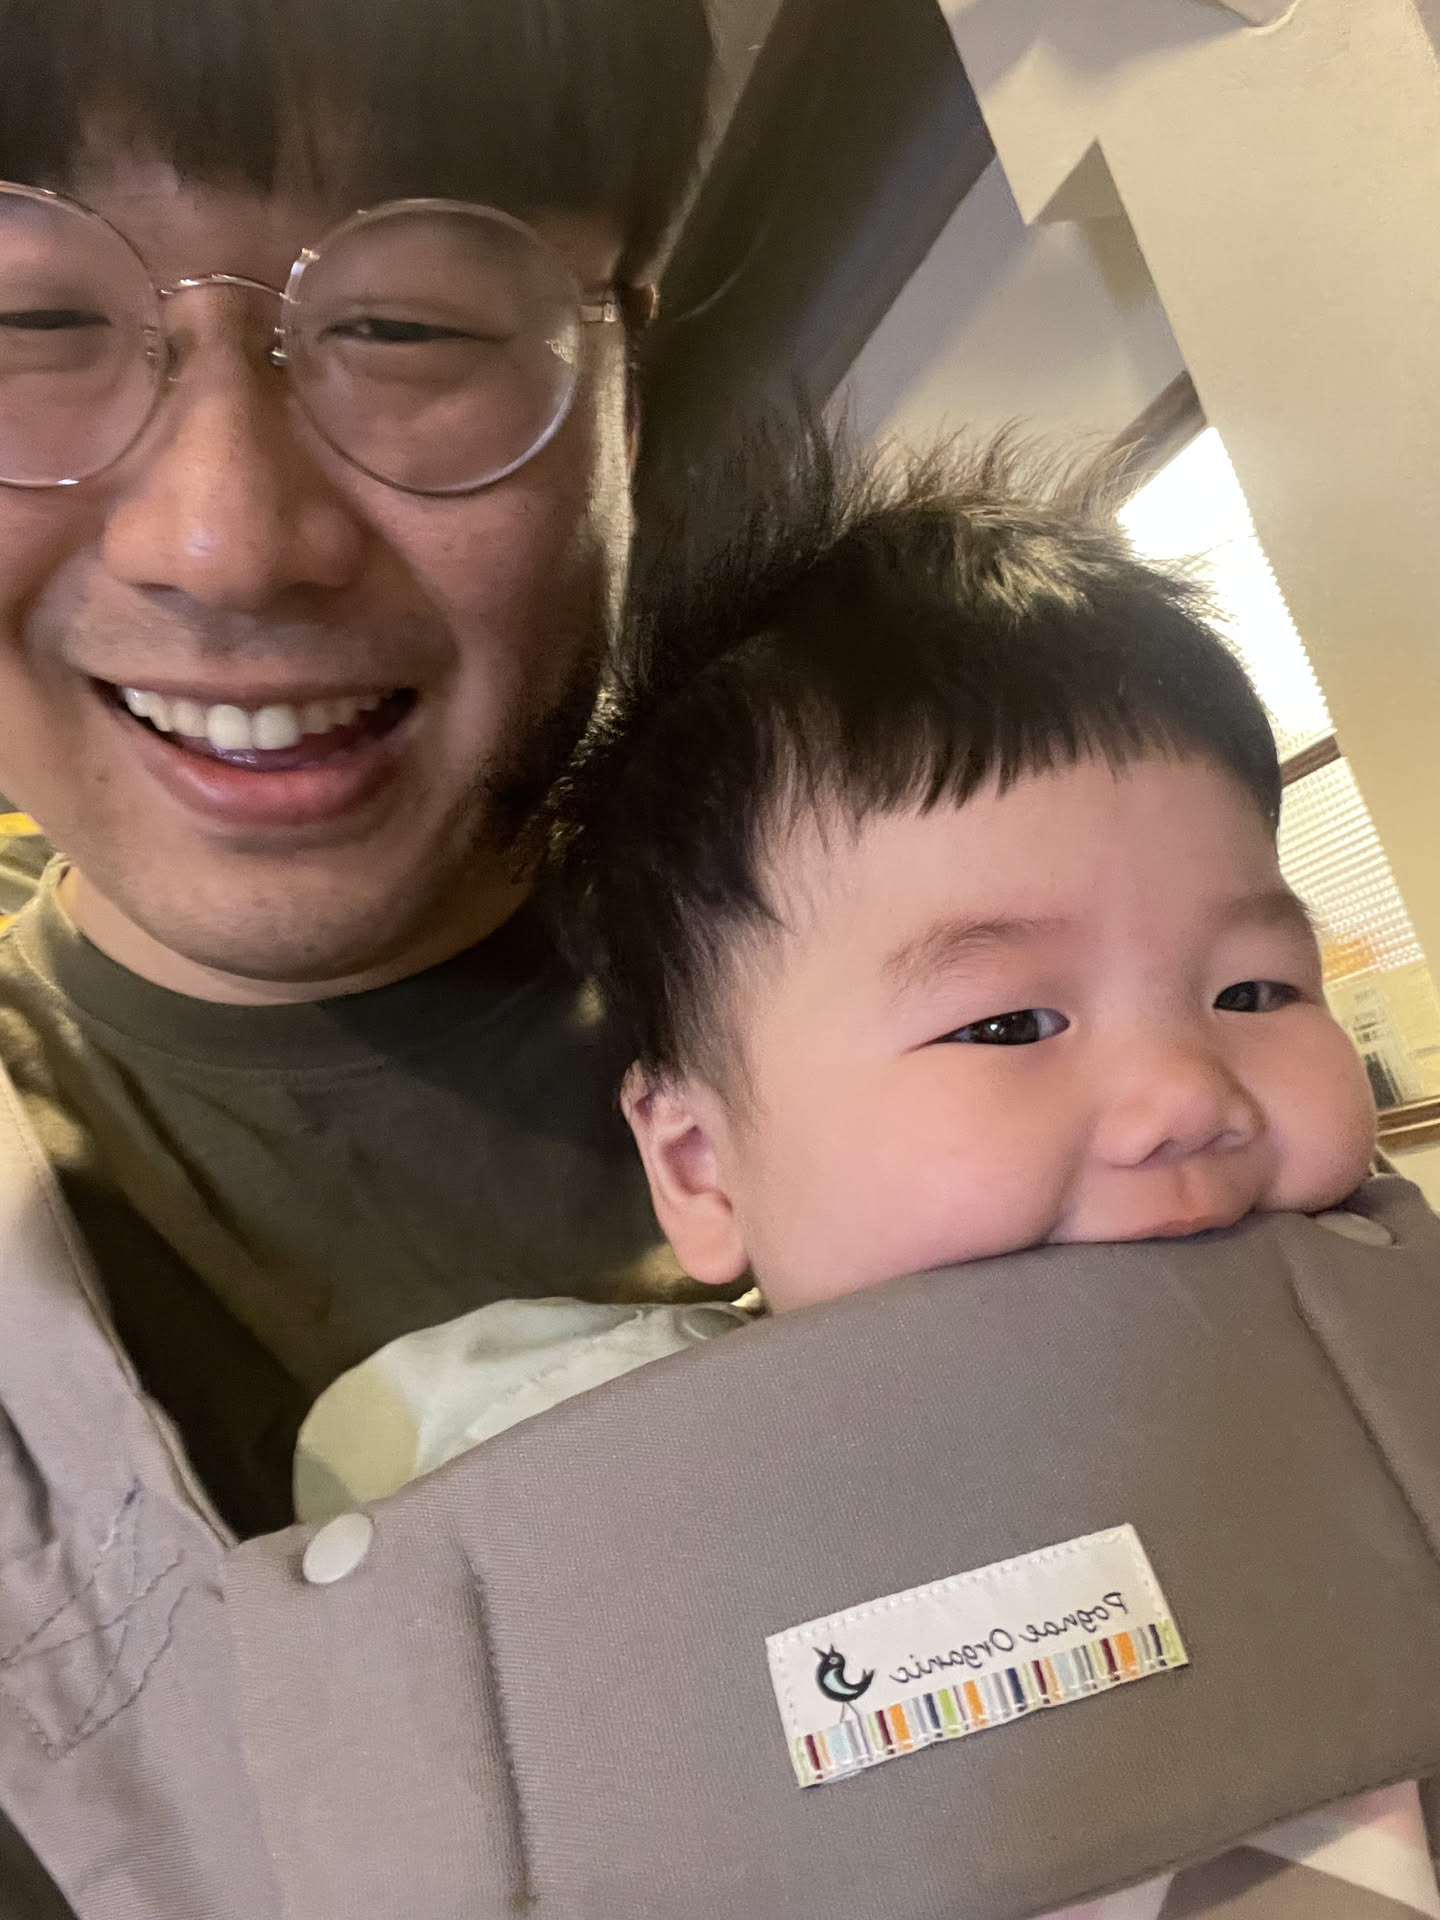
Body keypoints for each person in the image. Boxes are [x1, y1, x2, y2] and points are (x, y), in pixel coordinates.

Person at [297, 431, 1440, 1915]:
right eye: (1007, 1022)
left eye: (1254, 992)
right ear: (702, 1165)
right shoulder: (585, 1491)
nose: (1185, 1096)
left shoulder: (1389, 1326)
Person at [0, 0, 711, 1910]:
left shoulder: (1049, 1022)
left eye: (406, 327)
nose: (228, 540)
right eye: (33, 324)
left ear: (624, 390)